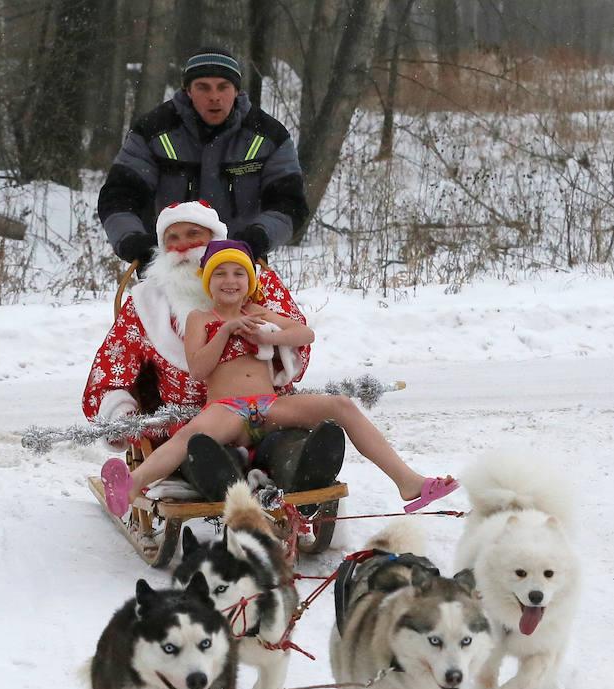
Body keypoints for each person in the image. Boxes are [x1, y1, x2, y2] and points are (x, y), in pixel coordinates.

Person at [100, 240, 459, 517]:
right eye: (221, 274)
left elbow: (306, 335)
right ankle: (132, 487)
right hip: (226, 410)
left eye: (238, 274)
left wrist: (269, 336)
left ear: (250, 281)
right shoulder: (199, 318)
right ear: (208, 282)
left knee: (342, 405)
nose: (230, 281)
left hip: (270, 406)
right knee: (188, 437)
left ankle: (408, 482)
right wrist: (225, 331)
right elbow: (198, 368)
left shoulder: (259, 312)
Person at [83, 200, 342, 496]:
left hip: (265, 412)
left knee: (286, 445)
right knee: (201, 453)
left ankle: (300, 465)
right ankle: (224, 477)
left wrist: (267, 338)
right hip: (188, 425)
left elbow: (298, 342)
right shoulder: (145, 304)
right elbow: (111, 368)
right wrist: (121, 415)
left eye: (193, 234)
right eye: (173, 238)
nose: (182, 246)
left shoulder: (256, 285)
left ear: (215, 240)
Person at [98, 47, 308, 272]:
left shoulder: (269, 136)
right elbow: (118, 197)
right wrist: (134, 241)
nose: (214, 96)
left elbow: (289, 204)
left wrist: (256, 238)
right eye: (203, 87)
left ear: (236, 90)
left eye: (223, 87)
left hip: (239, 264)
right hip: (167, 265)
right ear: (188, 90)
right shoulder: (153, 132)